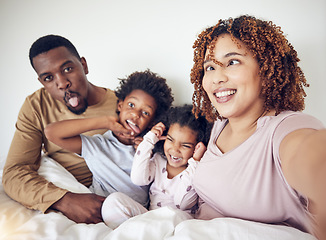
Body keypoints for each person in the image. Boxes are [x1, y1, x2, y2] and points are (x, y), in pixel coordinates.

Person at [189, 15, 326, 239]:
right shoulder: (219, 125)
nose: (216, 78)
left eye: (232, 62)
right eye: (209, 67)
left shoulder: (286, 128)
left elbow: (314, 155)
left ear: (265, 68)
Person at [2, 34, 121, 224]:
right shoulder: (36, 105)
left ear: (84, 65)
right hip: (65, 192)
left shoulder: (125, 105)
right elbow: (14, 172)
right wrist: (65, 200)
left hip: (114, 198)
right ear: (42, 82)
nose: (62, 83)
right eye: (49, 78)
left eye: (67, 69)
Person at [45, 70, 174, 210]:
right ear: (120, 106)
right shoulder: (97, 145)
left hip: (136, 212)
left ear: (151, 122)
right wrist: (105, 122)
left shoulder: (150, 150)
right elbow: (51, 133)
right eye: (131, 105)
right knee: (112, 201)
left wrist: (145, 150)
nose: (135, 114)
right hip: (101, 210)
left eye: (145, 113)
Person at [100, 105, 212, 229]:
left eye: (185, 145)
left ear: (197, 148)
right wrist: (149, 140)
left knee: (176, 215)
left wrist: (196, 160)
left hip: (178, 225)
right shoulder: (159, 160)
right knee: (113, 201)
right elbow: (138, 179)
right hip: (151, 220)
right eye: (170, 139)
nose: (174, 149)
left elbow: (183, 203)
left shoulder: (195, 171)